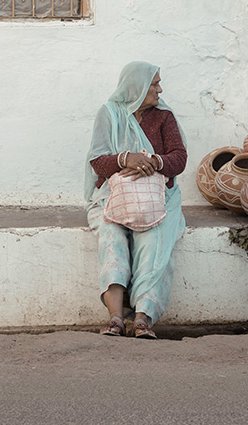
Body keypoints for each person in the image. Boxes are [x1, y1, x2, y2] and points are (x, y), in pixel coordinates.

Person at [85, 61, 187, 339]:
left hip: (157, 197)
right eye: (154, 84)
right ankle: (116, 319)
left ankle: (143, 318)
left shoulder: (164, 116)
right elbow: (98, 160)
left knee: (154, 242)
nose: (160, 89)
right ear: (137, 86)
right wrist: (125, 159)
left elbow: (179, 159)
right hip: (112, 196)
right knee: (111, 237)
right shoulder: (109, 114)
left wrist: (153, 161)